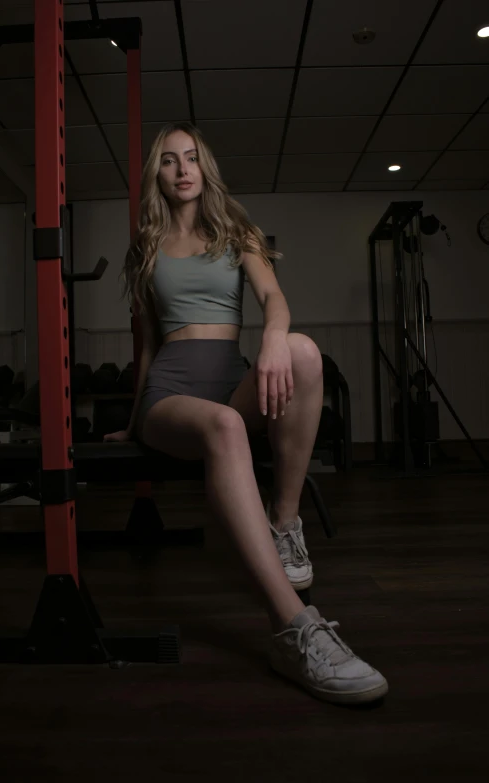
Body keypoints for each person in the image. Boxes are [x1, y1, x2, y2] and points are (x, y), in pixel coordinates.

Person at [104, 122, 388, 705]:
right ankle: (294, 627)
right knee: (226, 425)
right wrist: (135, 420)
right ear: (156, 174)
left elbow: (274, 300)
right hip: (172, 394)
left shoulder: (237, 232)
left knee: (305, 353)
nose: (182, 169)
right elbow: (149, 344)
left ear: (204, 167)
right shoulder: (147, 245)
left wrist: (275, 338)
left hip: (230, 380)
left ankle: (284, 523)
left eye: (191, 158)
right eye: (168, 161)